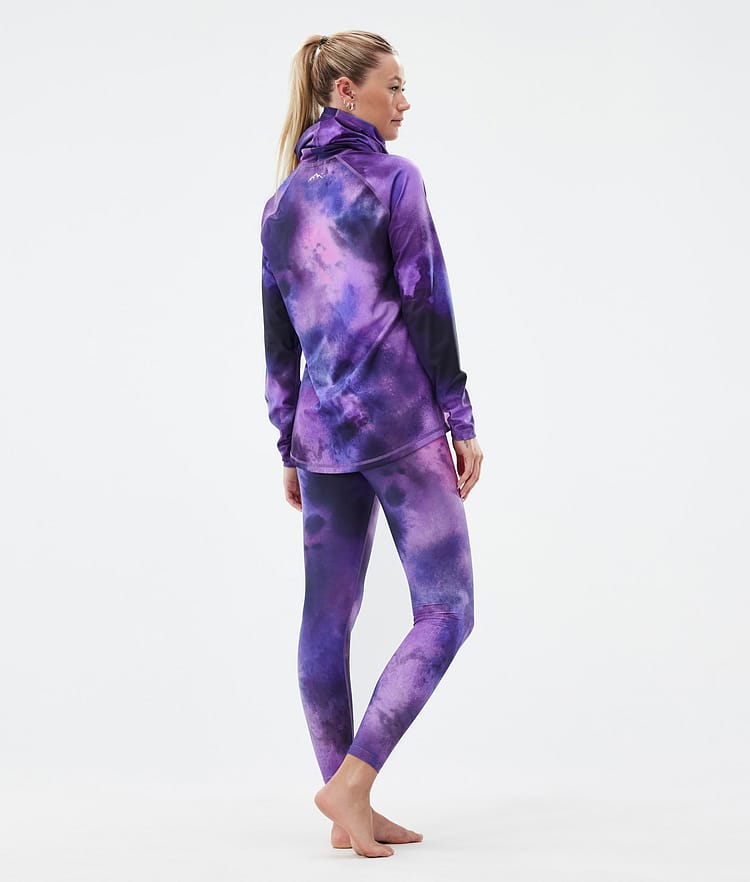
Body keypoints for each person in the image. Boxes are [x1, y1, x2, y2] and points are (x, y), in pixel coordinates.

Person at [260, 30, 483, 858]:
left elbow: (278, 344)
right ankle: (352, 785)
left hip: (322, 437)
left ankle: (344, 804)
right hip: (401, 427)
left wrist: (288, 440)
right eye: (394, 85)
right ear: (346, 91)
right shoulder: (394, 181)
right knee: (447, 610)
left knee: (327, 617)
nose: (404, 101)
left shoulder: (281, 205)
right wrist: (460, 417)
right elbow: (427, 302)